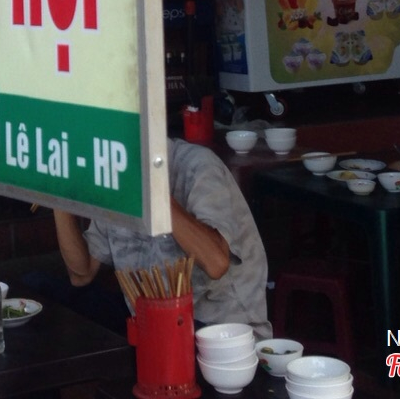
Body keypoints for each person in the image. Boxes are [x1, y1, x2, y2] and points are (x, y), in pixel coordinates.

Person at [52, 137, 271, 338]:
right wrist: (57, 197)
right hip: (152, 326)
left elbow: (216, 263)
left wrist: (149, 186)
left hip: (219, 333)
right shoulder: (110, 173)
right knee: (46, 287)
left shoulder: (197, 165)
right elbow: (81, 274)